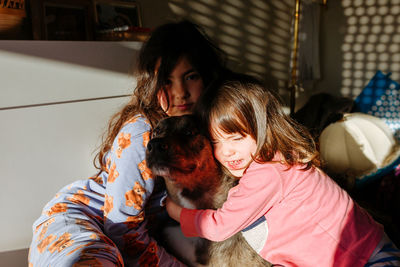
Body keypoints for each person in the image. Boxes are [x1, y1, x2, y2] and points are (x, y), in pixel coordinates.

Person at [28, 20, 231, 266]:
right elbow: (123, 230)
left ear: (207, 78)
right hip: (83, 221)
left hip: (135, 236)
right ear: (152, 83)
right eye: (167, 81)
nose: (180, 92)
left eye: (191, 76)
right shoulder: (141, 133)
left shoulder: (215, 126)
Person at [166, 76, 400, 267]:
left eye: (236, 138)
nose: (226, 151)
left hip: (365, 259)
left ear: (263, 129)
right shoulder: (275, 160)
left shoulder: (268, 172)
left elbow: (218, 226)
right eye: (216, 142)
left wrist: (172, 210)